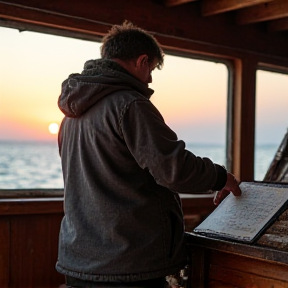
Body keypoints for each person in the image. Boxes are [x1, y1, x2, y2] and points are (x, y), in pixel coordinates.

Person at [56, 20, 241, 288]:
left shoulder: (70, 117)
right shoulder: (130, 105)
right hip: (126, 264)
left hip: (78, 259)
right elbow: (173, 169)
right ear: (142, 60)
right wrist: (220, 177)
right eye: (152, 68)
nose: (151, 78)